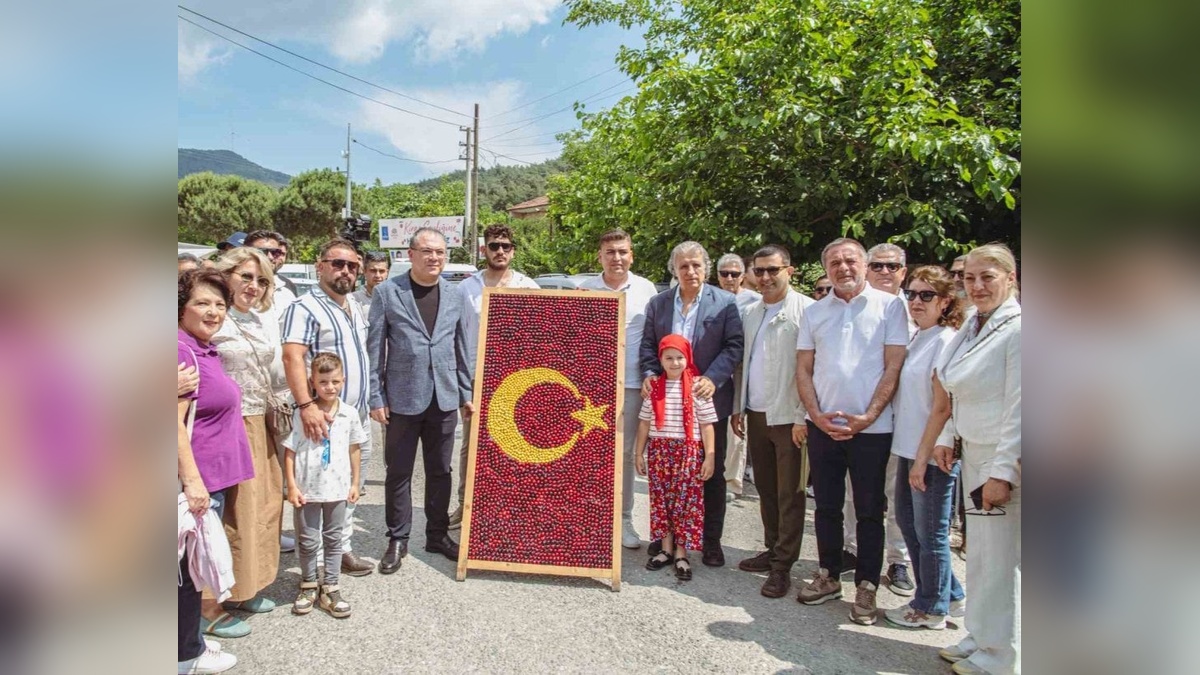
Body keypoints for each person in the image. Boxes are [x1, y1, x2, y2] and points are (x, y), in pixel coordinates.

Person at [795, 237, 908, 625]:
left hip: (872, 430)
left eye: (850, 261)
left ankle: (866, 586)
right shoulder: (815, 313)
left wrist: (869, 416)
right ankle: (827, 575)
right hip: (823, 425)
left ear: (863, 264)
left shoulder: (890, 306)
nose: (843, 268)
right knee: (825, 506)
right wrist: (816, 413)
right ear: (825, 269)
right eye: (834, 263)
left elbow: (893, 367)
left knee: (869, 510)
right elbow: (804, 369)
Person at [922, 244, 1021, 675]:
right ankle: (981, 636)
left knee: (1004, 564)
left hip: (1002, 460)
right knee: (980, 556)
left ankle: (1004, 657)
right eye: (970, 278)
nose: (977, 286)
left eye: (988, 277)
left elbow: (1024, 407)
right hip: (973, 452)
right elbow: (955, 386)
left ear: (1011, 279)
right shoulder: (975, 325)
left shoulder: (1021, 331)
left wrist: (1005, 472)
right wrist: (947, 435)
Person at [368, 228, 473, 574]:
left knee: (440, 471)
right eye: (427, 251)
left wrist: (465, 393)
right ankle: (398, 538)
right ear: (410, 255)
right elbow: (375, 348)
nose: (434, 258)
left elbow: (461, 348)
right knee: (398, 471)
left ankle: (437, 534)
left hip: (443, 397)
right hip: (401, 398)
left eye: (441, 252)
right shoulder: (387, 292)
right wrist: (375, 395)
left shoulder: (455, 295)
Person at [640, 241, 743, 567]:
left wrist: (713, 377)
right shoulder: (659, 303)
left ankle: (710, 541)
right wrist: (649, 373)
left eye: (696, 265)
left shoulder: (724, 303)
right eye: (684, 266)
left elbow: (734, 345)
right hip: (665, 404)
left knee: (709, 472)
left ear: (706, 268)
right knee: (665, 475)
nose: (691, 271)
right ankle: (664, 538)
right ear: (675, 270)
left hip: (705, 398)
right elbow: (647, 346)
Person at [281, 239, 375, 577]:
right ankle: (317, 562)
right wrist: (306, 405)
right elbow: (292, 356)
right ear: (320, 266)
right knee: (317, 489)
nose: (346, 271)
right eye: (337, 264)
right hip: (322, 419)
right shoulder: (304, 306)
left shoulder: (353, 306)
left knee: (348, 485)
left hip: (354, 417)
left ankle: (341, 550)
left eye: (352, 266)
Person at [882, 266, 967, 630]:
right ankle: (951, 594)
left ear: (946, 301)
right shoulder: (920, 335)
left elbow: (943, 406)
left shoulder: (947, 340)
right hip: (909, 446)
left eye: (927, 295)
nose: (916, 301)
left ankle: (930, 607)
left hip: (931, 453)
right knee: (909, 524)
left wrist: (922, 458)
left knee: (930, 531)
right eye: (912, 294)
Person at [731, 245, 814, 598]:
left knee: (790, 493)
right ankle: (771, 548)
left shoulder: (807, 311)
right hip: (758, 412)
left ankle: (783, 567)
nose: (765, 277)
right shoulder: (752, 312)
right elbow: (744, 364)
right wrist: (740, 407)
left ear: (789, 271)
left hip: (790, 416)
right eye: (759, 271)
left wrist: (803, 416)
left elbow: (814, 369)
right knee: (765, 487)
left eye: (773, 270)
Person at [178, 268, 253, 659]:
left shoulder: (200, 346)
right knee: (185, 574)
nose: (213, 311)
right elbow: (170, 423)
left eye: (220, 304)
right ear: (180, 307)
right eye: (202, 303)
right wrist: (192, 482)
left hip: (209, 479)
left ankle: (188, 643)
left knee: (189, 570)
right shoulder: (181, 351)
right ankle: (185, 653)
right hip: (194, 483)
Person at [208, 248, 284, 627]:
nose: (254, 286)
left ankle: (243, 588)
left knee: (260, 510)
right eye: (246, 276)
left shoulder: (255, 319)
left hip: (259, 422)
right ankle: (208, 607)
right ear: (225, 274)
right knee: (226, 515)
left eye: (261, 280)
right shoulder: (210, 317)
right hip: (224, 424)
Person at [836, 242, 915, 597]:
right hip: (863, 420)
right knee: (858, 493)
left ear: (904, 271)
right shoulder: (855, 308)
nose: (885, 272)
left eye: (892, 266)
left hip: (906, 420)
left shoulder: (917, 308)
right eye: (878, 266)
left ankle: (898, 560)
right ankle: (852, 549)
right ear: (867, 268)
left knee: (896, 495)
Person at [450, 225, 539, 530]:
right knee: (471, 444)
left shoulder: (530, 288)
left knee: (515, 444)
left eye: (506, 246)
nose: (500, 251)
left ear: (513, 251)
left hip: (518, 380)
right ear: (483, 250)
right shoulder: (466, 289)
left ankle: (511, 505)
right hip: (477, 377)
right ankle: (465, 506)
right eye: (494, 246)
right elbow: (456, 336)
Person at [580, 229, 660, 550]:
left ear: (632, 255)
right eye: (610, 252)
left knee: (626, 456)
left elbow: (653, 339)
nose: (617, 258)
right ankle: (588, 517)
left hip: (630, 386)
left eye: (622, 252)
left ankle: (623, 520)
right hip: (591, 388)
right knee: (588, 453)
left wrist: (650, 375)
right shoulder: (585, 289)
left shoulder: (646, 290)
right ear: (599, 256)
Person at [284, 352, 364, 619]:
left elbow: (355, 449)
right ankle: (308, 584)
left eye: (335, 381)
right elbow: (290, 451)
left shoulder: (350, 414)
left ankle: (330, 587)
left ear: (343, 381)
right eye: (324, 382)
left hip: (338, 489)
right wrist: (291, 486)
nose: (330, 387)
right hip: (308, 489)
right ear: (313, 383)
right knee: (307, 540)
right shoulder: (302, 414)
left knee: (334, 539)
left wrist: (355, 483)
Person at [635, 334, 717, 581]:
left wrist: (709, 457)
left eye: (680, 357)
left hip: (687, 453)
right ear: (660, 359)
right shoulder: (654, 388)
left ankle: (682, 553)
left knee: (685, 504)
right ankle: (666, 549)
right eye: (668, 358)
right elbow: (644, 423)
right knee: (662, 501)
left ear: (687, 358)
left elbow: (706, 425)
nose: (674, 363)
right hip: (660, 451)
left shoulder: (697, 388)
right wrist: (638, 452)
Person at [715, 252, 760, 501]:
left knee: (737, 423)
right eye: (724, 273)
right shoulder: (712, 298)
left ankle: (732, 481)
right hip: (716, 368)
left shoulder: (754, 302)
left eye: (734, 274)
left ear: (743, 276)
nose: (729, 278)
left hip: (743, 368)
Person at [244, 230, 298, 307]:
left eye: (275, 252)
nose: (270, 257)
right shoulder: (236, 288)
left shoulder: (287, 291)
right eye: (262, 252)